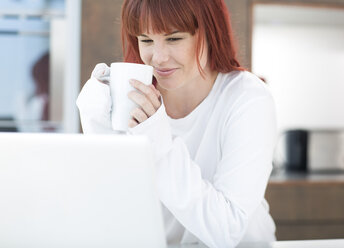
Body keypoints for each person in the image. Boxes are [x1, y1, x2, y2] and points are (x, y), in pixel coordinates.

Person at [76, 0, 277, 247]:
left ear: (211, 33)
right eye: (146, 40)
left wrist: (156, 140)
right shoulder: (132, 100)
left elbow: (226, 229)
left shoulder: (246, 97)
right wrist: (98, 123)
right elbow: (119, 207)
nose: (158, 58)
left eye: (174, 39)